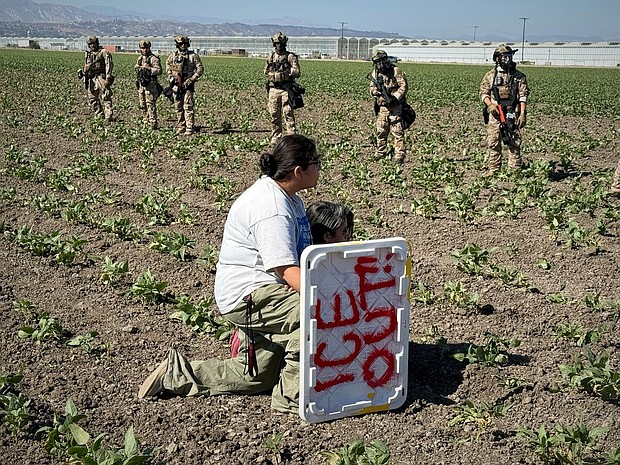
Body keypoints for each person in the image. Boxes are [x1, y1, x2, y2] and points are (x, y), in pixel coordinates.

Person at [138, 134, 321, 413]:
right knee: (313, 315)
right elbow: (284, 267)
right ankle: (292, 399)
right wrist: (327, 295)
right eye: (316, 163)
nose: (320, 169)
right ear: (299, 171)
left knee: (256, 377)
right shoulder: (271, 208)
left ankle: (175, 374)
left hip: (265, 289)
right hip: (249, 295)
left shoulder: (289, 197)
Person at [480, 44, 529, 174]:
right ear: (497, 58)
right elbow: (484, 93)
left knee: (514, 142)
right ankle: (494, 170)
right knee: (493, 142)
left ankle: (514, 171)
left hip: (513, 112)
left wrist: (522, 114)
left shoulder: (519, 76)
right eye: (504, 57)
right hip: (495, 114)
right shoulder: (490, 76)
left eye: (509, 56)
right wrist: (490, 105)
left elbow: (523, 96)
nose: (508, 59)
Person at [369, 50, 409, 164]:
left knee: (397, 131)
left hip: (396, 106)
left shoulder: (395, 71)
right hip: (382, 107)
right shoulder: (375, 73)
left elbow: (403, 87)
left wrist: (394, 97)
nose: (380, 64)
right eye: (378, 62)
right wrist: (376, 92)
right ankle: (380, 152)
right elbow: (371, 88)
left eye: (382, 61)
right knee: (381, 130)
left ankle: (399, 155)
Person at [264, 32, 301, 145]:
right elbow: (265, 71)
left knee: (288, 113)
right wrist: (273, 75)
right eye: (277, 43)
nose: (279, 46)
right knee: (274, 114)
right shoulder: (271, 57)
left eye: (281, 43)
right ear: (274, 44)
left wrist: (287, 74)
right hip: (274, 89)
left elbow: (297, 72)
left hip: (286, 89)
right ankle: (276, 137)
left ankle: (291, 139)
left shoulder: (290, 57)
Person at [166, 35, 204, 135]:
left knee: (188, 106)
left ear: (187, 44)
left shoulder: (193, 56)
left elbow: (200, 69)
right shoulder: (173, 56)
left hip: (187, 85)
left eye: (184, 44)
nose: (182, 46)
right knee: (178, 107)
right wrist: (171, 77)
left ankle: (189, 127)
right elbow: (168, 66)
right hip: (176, 84)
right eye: (180, 44)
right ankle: (181, 126)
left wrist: (192, 78)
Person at [79, 35, 114, 122]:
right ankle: (99, 115)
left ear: (97, 43)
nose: (92, 45)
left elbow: (108, 64)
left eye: (93, 43)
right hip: (92, 78)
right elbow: (86, 65)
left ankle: (108, 115)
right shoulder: (88, 54)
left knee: (106, 96)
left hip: (101, 77)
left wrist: (108, 77)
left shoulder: (103, 52)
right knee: (92, 97)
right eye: (90, 44)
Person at [134, 39, 162, 129]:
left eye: (146, 48)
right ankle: (145, 121)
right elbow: (136, 68)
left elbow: (159, 70)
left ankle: (153, 123)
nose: (144, 50)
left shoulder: (153, 58)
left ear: (149, 48)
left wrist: (149, 69)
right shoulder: (140, 58)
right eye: (142, 48)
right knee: (142, 104)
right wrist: (139, 68)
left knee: (150, 104)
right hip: (141, 85)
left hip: (150, 85)